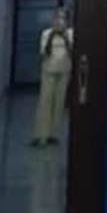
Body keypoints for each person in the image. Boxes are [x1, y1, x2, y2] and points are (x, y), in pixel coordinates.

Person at [31, 8, 73, 147]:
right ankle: (40, 135)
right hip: (48, 70)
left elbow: (73, 52)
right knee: (45, 101)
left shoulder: (71, 34)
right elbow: (44, 53)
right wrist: (52, 36)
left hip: (64, 70)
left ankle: (52, 135)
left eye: (63, 18)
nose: (60, 21)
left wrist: (65, 37)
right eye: (57, 17)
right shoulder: (46, 33)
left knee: (59, 103)